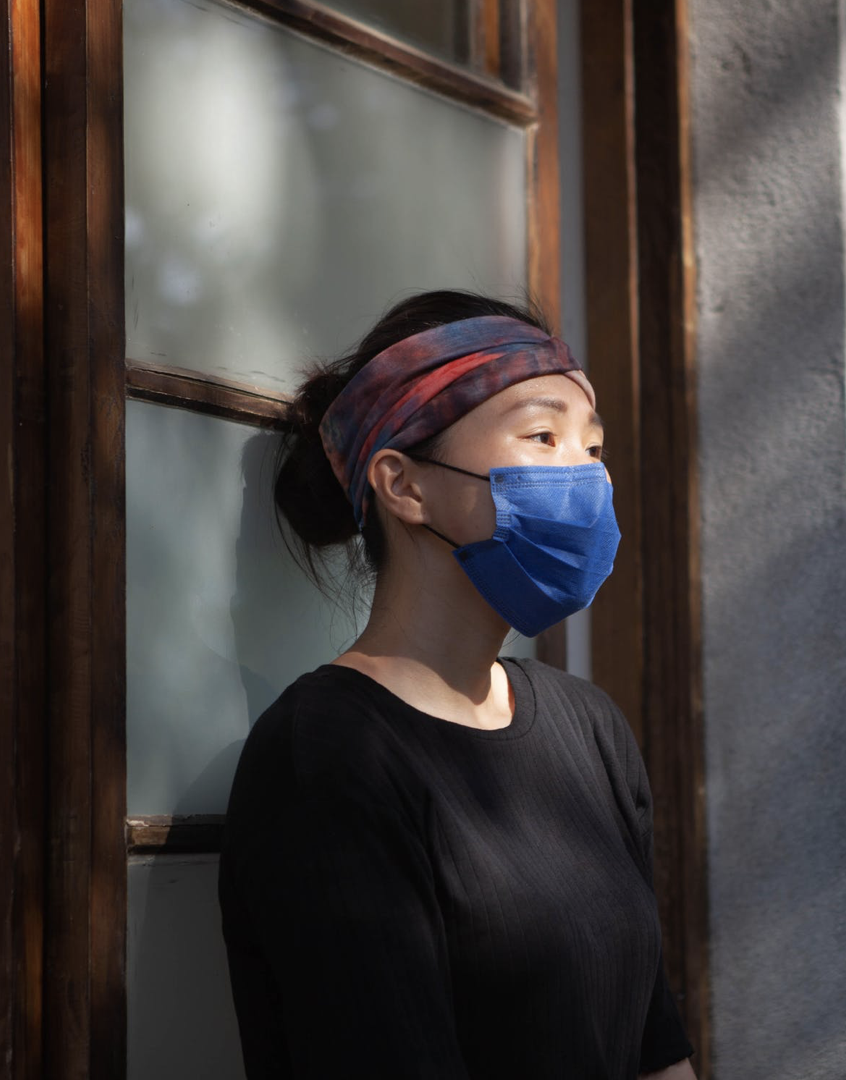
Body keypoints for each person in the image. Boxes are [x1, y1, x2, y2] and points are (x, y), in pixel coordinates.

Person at [217, 289, 700, 1080]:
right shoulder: (326, 758)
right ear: (403, 485)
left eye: (592, 447)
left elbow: (656, 1046)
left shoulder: (590, 727)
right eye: (544, 436)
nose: (585, 479)